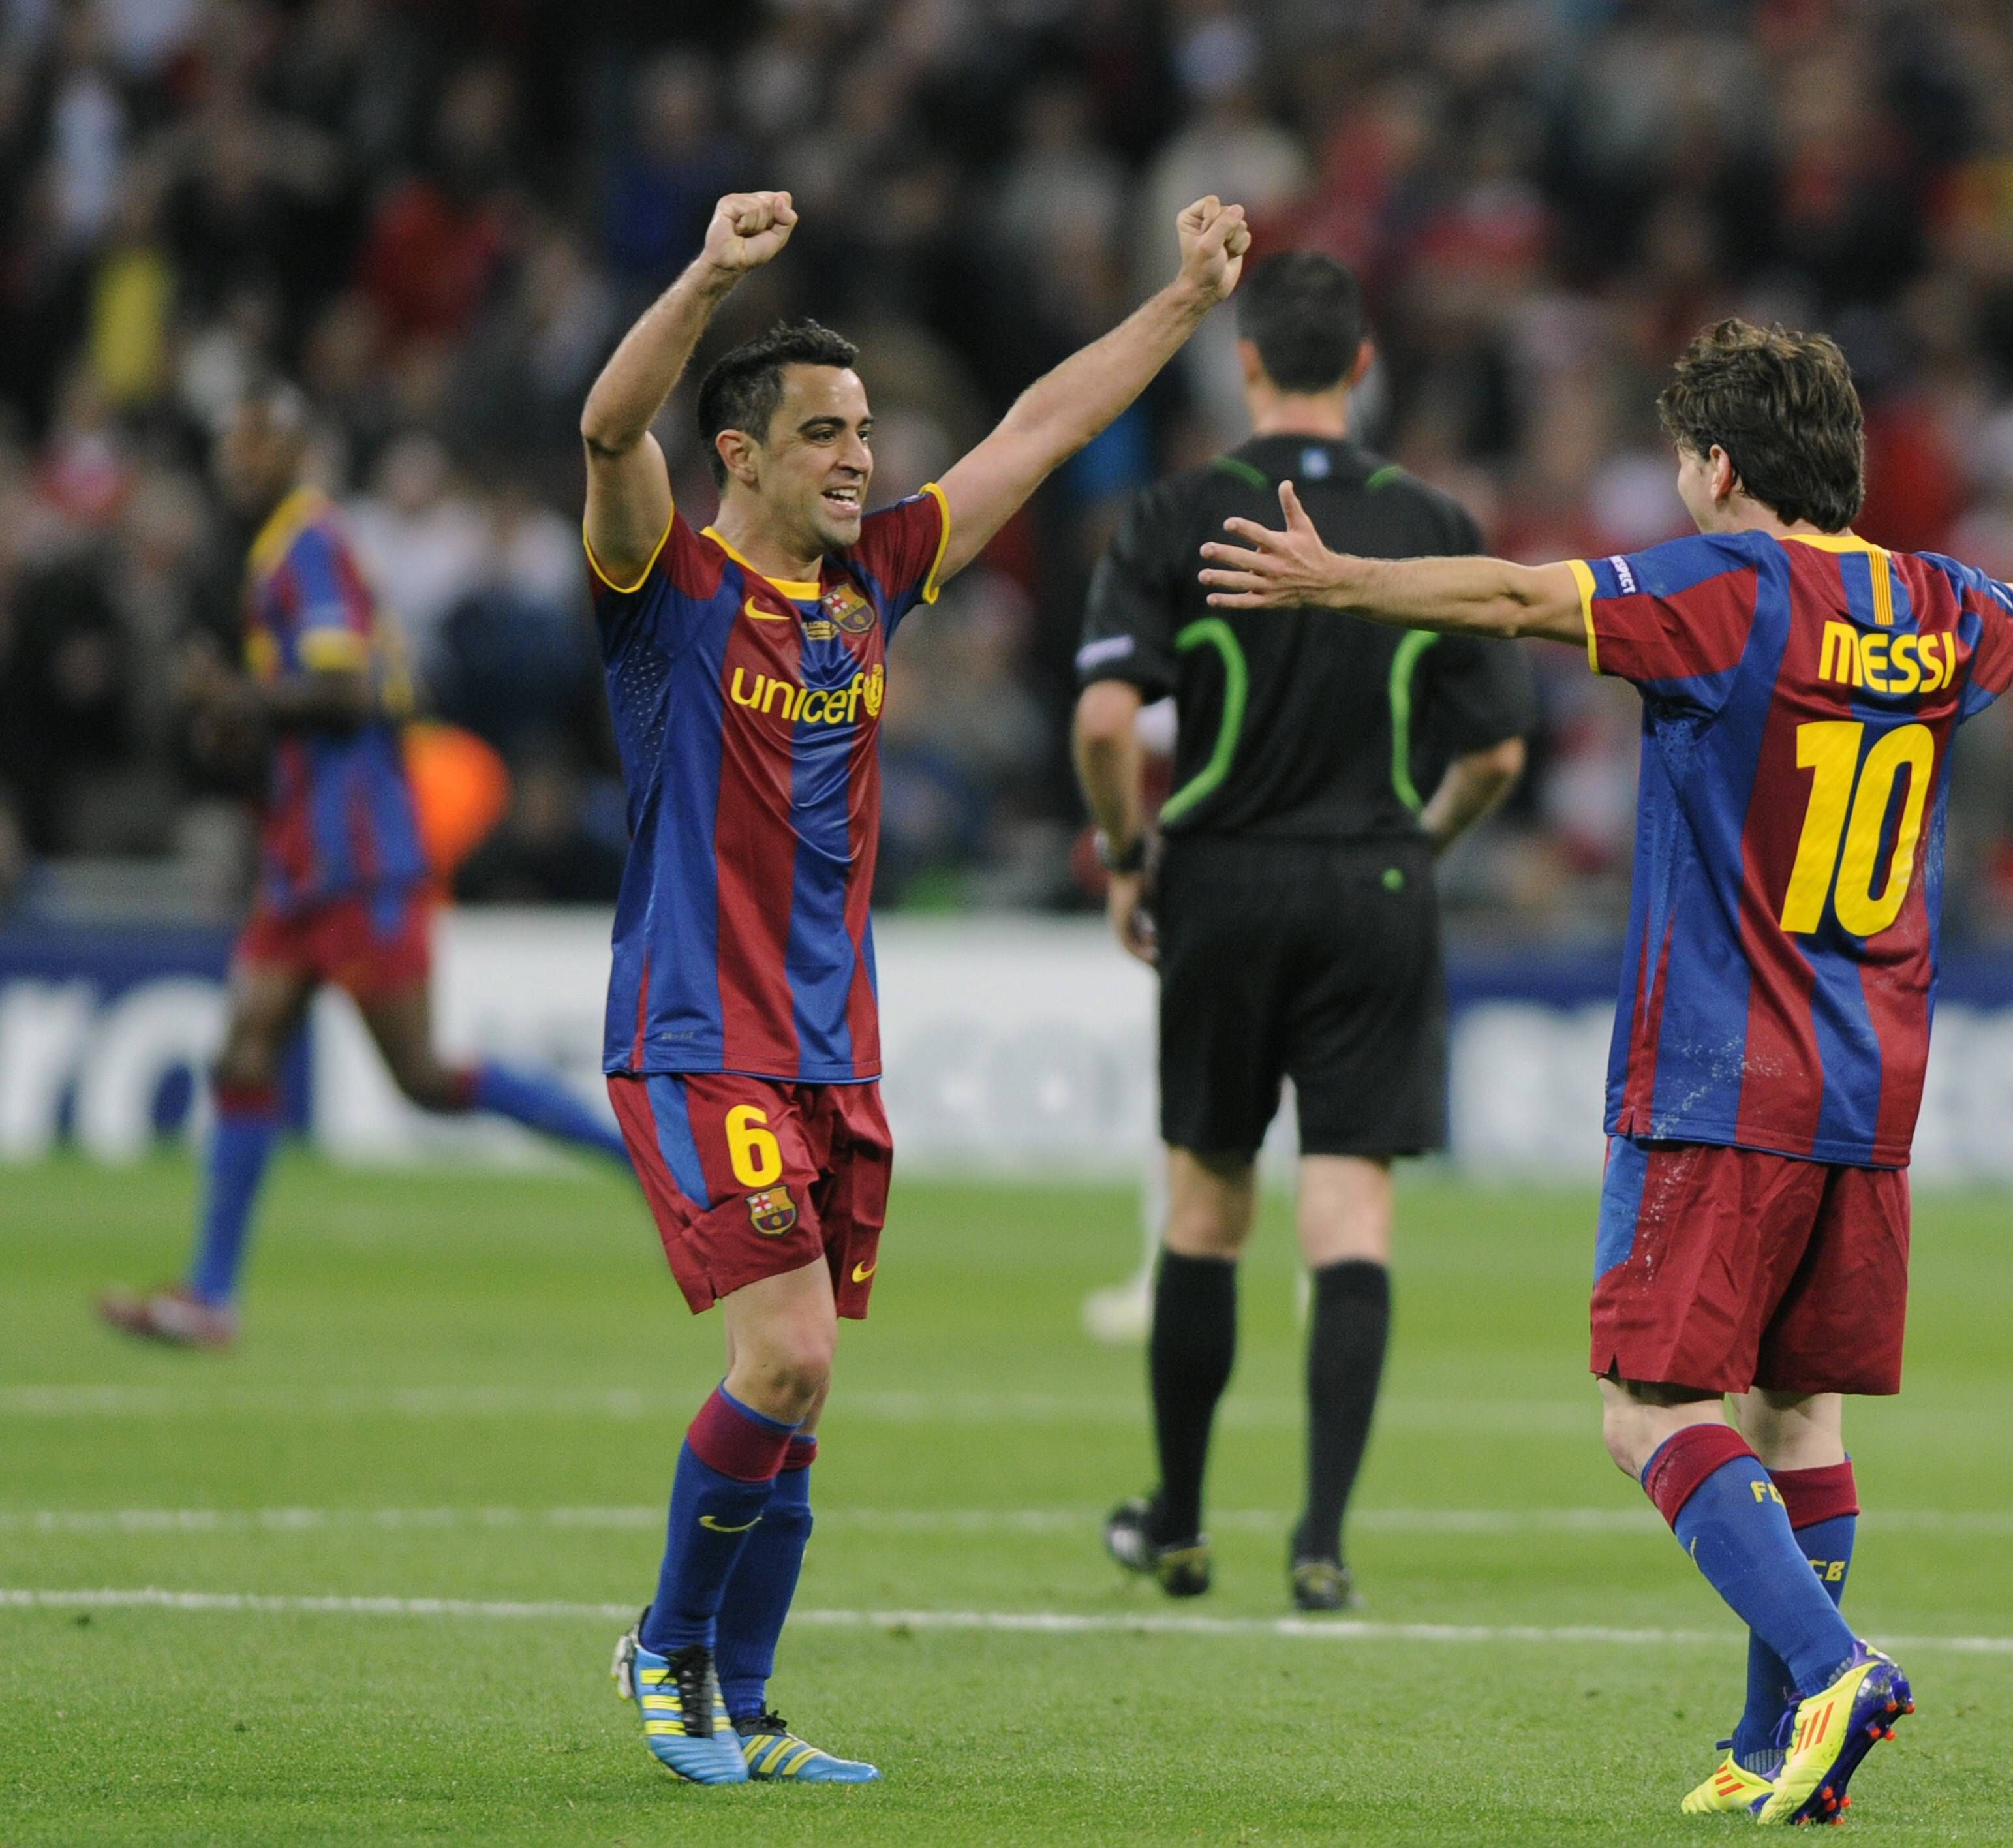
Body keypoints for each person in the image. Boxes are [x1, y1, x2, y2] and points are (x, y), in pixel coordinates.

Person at [1195, 318, 2013, 1824]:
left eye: (1680, 456)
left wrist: (1342, 581)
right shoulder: (1930, 599)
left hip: (1722, 1073)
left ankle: (1831, 1668)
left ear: (1718, 464)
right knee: (1800, 1420)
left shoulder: (1730, 586)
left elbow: (1519, 597)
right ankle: (1770, 1748)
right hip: (1872, 1086)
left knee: (1651, 1415)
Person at [578, 188, 1248, 1786]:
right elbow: (609, 433)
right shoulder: (665, 588)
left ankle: (747, 1704)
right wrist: (706, 278)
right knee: (787, 1355)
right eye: (823, 433)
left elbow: (1037, 424)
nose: (860, 458)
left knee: (804, 1397)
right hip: (696, 1033)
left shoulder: (876, 576)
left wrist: (1181, 302)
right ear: (740, 453)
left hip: (830, 1046)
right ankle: (666, 1650)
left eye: (865, 429)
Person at [1070, 251, 1533, 1613]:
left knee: (1207, 1211)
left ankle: (1180, 1523)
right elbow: (1499, 755)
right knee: (1352, 1214)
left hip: (1218, 879)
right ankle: (1322, 1541)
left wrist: (1122, 854)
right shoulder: (1434, 516)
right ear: (1366, 365)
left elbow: (1106, 720)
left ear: (1247, 365)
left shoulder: (1175, 511)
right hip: (1374, 889)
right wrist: (1417, 851)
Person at [99, 383, 630, 1352]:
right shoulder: (277, 553)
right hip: (304, 853)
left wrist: (240, 697)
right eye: (231, 444)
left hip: (358, 854)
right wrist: (240, 722)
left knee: (422, 1074)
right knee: (242, 1050)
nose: (236, 461)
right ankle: (211, 1296)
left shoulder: (311, 544)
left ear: (298, 452)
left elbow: (345, 695)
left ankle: (643, 1154)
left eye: (257, 442)